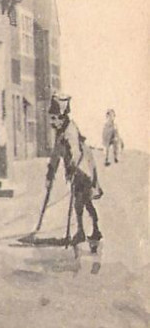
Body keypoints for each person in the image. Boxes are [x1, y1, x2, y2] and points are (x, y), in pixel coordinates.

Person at [46, 94, 103, 245]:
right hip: (76, 172)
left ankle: (83, 232)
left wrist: (72, 169)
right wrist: (50, 174)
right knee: (85, 202)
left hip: (83, 171)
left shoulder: (70, 131)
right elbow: (56, 154)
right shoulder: (60, 132)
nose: (52, 122)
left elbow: (76, 152)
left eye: (54, 118)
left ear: (62, 117)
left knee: (80, 202)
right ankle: (93, 230)